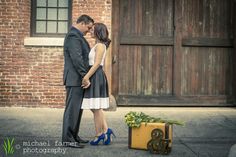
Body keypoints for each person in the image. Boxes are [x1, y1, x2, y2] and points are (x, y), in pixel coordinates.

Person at [62, 14, 94, 148]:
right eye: (88, 27)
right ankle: (68, 139)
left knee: (77, 110)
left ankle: (73, 136)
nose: (89, 30)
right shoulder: (73, 36)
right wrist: (84, 76)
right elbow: (77, 59)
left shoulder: (77, 36)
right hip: (75, 79)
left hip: (77, 79)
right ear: (82, 23)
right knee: (72, 110)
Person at [81, 23, 115, 145]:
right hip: (95, 74)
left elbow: (96, 64)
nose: (90, 31)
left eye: (93, 29)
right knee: (94, 106)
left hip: (96, 75)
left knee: (96, 107)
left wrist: (86, 77)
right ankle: (106, 130)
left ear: (98, 32)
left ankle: (99, 134)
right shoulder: (97, 45)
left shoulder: (100, 46)